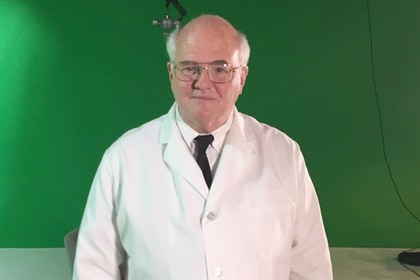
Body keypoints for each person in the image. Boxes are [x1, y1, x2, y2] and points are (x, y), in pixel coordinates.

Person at [73, 14, 333, 280]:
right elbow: (94, 270)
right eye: (189, 67)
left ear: (242, 77)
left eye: (220, 69)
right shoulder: (123, 159)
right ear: (171, 73)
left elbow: (311, 269)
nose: (203, 82)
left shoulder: (284, 154)